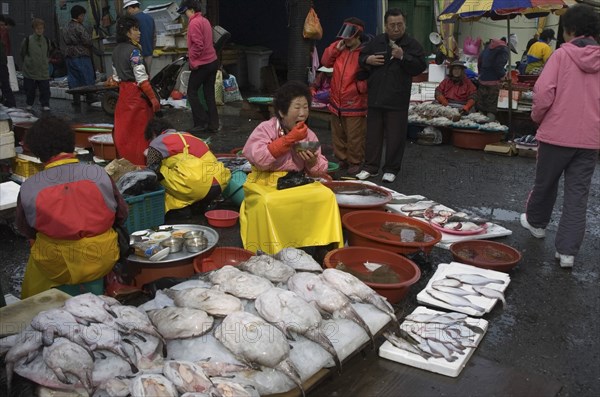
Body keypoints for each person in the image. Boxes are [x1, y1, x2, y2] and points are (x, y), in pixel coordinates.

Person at [520, 4, 600, 269]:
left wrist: (538, 117)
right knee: (578, 195)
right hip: (590, 139)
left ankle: (537, 224)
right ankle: (567, 253)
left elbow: (543, 94)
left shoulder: (561, 56)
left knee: (546, 183)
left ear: (569, 30)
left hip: (556, 135)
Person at [14, 116, 128, 298]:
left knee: (37, 252)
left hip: (57, 266)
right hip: (103, 257)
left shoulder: (29, 186)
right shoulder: (98, 173)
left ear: (36, 152)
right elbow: (121, 214)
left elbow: (26, 229)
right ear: (70, 142)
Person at [241, 81, 343, 254]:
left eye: (305, 107)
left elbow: (320, 169)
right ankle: (271, 249)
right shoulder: (265, 129)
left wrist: (312, 163)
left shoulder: (308, 134)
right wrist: (288, 140)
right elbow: (259, 159)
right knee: (269, 202)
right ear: (282, 111)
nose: (302, 113)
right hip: (264, 182)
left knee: (326, 195)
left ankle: (320, 243)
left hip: (295, 181)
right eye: (297, 107)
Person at [356, 8, 426, 183]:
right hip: (376, 97)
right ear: (386, 26)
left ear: (405, 25)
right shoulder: (377, 41)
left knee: (396, 136)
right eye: (392, 25)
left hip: (397, 99)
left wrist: (403, 57)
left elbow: (419, 66)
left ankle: (391, 168)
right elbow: (361, 56)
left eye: (399, 24)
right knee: (372, 135)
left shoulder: (412, 45)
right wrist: (367, 60)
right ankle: (370, 167)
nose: (396, 28)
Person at [144, 118, 230, 215]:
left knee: (159, 171)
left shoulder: (158, 142)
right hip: (219, 184)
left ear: (154, 133)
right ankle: (199, 203)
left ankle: (179, 207)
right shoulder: (190, 136)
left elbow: (151, 170)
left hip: (196, 186)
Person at [321, 17, 369, 175]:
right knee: (338, 133)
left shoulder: (365, 52)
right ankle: (342, 158)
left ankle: (355, 161)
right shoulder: (340, 49)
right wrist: (336, 47)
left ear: (358, 35)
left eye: (350, 35)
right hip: (336, 100)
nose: (346, 39)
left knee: (355, 135)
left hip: (355, 101)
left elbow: (370, 74)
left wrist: (360, 88)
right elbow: (326, 61)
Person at [112, 15, 160, 166]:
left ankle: (125, 163)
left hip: (123, 97)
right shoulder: (134, 52)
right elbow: (142, 80)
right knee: (141, 134)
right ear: (127, 32)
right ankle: (141, 163)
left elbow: (115, 78)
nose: (139, 32)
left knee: (125, 132)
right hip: (137, 99)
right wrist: (153, 99)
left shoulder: (116, 51)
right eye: (135, 29)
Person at [177, 0, 220, 134]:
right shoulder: (204, 20)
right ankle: (213, 124)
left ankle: (201, 122)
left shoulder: (194, 23)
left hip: (203, 64)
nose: (185, 15)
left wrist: (191, 57)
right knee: (209, 94)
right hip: (212, 61)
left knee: (192, 92)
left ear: (191, 10)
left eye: (185, 13)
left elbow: (198, 45)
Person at [63, 5, 97, 105]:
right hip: (81, 54)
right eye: (83, 15)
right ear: (79, 16)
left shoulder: (66, 26)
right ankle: (90, 97)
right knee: (86, 75)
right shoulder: (79, 27)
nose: (83, 18)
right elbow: (87, 40)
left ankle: (76, 99)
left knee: (73, 77)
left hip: (69, 54)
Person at [476, 35, 515, 120]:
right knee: (491, 109)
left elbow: (479, 61)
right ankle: (489, 131)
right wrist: (504, 76)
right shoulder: (504, 50)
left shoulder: (488, 47)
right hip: (493, 85)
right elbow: (498, 66)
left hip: (482, 82)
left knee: (481, 108)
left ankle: (478, 130)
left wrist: (481, 74)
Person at [20, 18, 52, 112]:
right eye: (37, 28)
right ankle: (29, 104)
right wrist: (28, 62)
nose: (40, 30)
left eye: (41, 28)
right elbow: (22, 53)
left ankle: (45, 104)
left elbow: (48, 52)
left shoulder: (46, 40)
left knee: (45, 89)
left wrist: (46, 61)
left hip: (43, 70)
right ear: (34, 29)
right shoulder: (27, 40)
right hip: (30, 70)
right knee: (30, 89)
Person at [124, 0, 156, 74]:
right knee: (146, 77)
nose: (127, 11)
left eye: (127, 9)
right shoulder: (150, 18)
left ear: (130, 8)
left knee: (136, 78)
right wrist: (150, 50)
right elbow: (154, 37)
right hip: (148, 53)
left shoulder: (131, 20)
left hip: (136, 54)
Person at [0, 17, 15, 108]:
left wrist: (6, 58)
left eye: (3, 25)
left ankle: (11, 105)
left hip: (2, 62)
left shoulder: (5, 34)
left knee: (5, 84)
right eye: (0, 25)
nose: (3, 27)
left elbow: (7, 47)